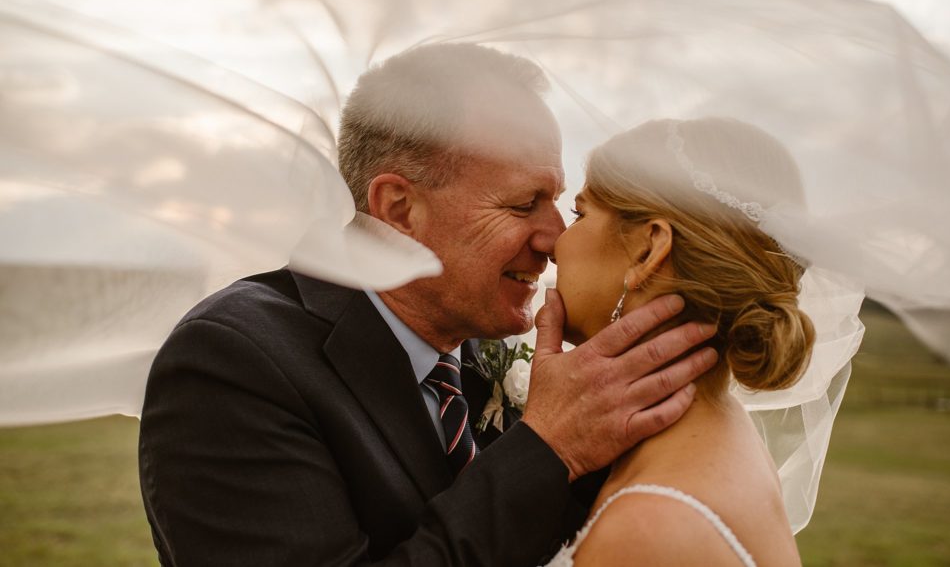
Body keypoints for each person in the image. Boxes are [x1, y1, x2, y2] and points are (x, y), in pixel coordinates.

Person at [137, 44, 718, 566]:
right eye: (523, 204)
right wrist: (547, 448)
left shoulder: (487, 349)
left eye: (559, 203)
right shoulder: (233, 362)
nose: (555, 239)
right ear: (397, 207)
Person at [544, 117, 813, 566]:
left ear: (650, 249)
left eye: (579, 213)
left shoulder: (646, 531)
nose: (555, 243)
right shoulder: (716, 427)